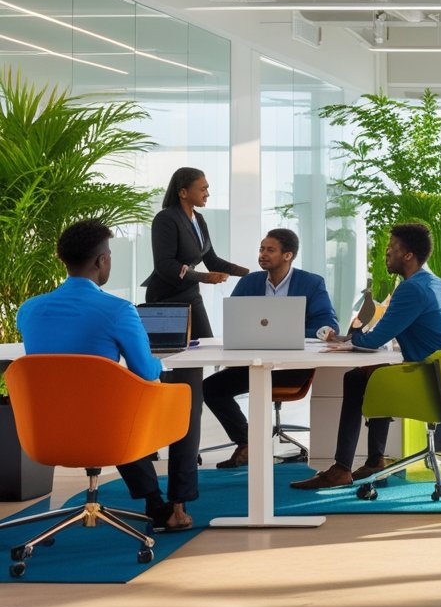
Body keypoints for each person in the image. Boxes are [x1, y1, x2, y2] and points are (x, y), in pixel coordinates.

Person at [16, 219, 193, 532]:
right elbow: (145, 371)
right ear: (101, 261)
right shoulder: (119, 310)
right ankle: (162, 506)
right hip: (106, 430)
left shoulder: (28, 310)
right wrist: (162, 359)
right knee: (130, 406)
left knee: (113, 405)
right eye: (109, 255)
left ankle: (159, 504)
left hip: (46, 429)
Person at [291, 222, 441, 490]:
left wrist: (350, 336)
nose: (386, 254)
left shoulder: (411, 289)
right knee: (370, 374)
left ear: (408, 255)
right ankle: (373, 461)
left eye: (391, 249)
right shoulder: (434, 282)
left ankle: (342, 469)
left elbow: (373, 340)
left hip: (430, 380)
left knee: (356, 378)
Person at [201, 228, 339, 469]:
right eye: (261, 249)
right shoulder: (249, 282)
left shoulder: (311, 283)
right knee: (211, 388)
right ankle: (247, 442)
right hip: (253, 364)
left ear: (288, 255)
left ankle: (251, 446)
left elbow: (326, 324)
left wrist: (289, 332)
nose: (263, 254)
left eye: (270, 250)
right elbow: (234, 321)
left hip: (292, 367)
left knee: (220, 386)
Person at [142, 166, 249, 339]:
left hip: (191, 294)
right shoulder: (165, 219)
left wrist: (248, 274)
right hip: (165, 297)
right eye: (203, 189)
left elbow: (212, 260)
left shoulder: (198, 219)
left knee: (205, 346)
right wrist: (204, 277)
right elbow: (164, 265)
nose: (207, 194)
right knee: (175, 355)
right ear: (183, 192)